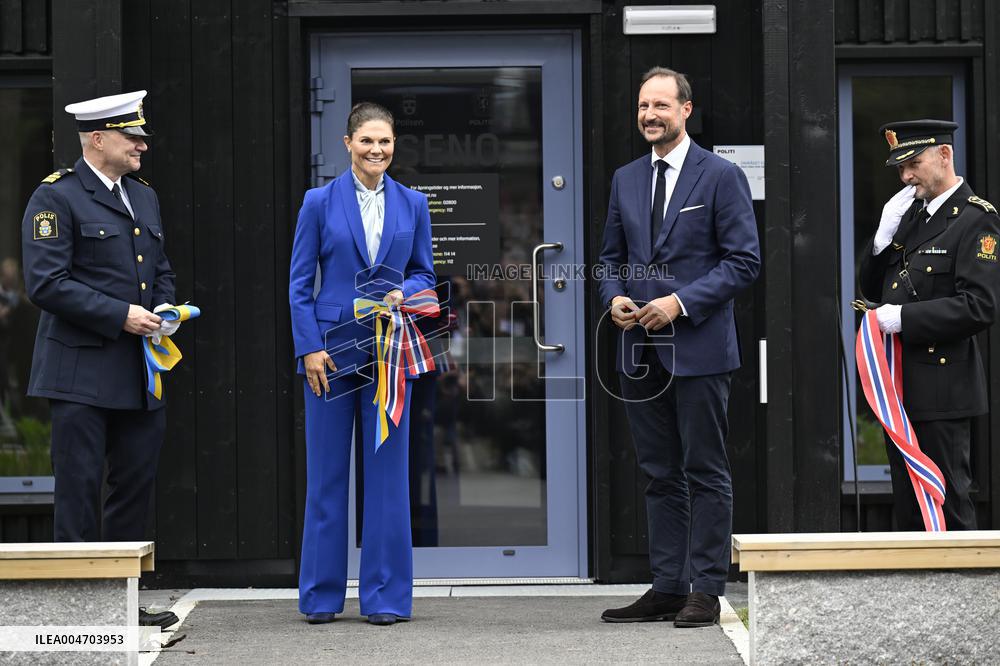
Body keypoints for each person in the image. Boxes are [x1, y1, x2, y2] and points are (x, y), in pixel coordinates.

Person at [598, 67, 760, 627]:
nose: (650, 115)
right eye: (643, 105)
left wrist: (679, 303)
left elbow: (744, 261)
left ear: (686, 110)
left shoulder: (720, 176)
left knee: (705, 470)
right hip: (639, 352)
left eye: (661, 105)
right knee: (659, 472)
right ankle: (667, 585)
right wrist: (613, 296)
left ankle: (707, 589)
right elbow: (609, 258)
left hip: (698, 349)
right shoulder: (624, 179)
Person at [20, 90, 180, 629]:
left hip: (139, 369)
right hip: (80, 372)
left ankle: (120, 603)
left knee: (133, 487)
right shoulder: (56, 197)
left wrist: (164, 306)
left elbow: (159, 266)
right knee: (80, 487)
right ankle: (77, 607)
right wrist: (121, 315)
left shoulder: (144, 196)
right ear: (97, 139)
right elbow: (46, 283)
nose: (141, 145)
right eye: (131, 136)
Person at [290, 102, 435, 626]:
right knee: (327, 479)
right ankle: (321, 597)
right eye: (368, 141)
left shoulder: (413, 204)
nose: (377, 150)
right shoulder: (318, 201)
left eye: (386, 143)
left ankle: (386, 598)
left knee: (388, 481)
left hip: (390, 355)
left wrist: (404, 292)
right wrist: (308, 347)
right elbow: (299, 281)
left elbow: (425, 275)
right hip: (329, 353)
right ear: (347, 143)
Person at [858, 119, 1000, 530]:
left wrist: (903, 318)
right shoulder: (910, 215)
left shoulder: (976, 219)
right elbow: (871, 287)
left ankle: (965, 596)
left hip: (943, 387)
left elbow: (979, 306)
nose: (906, 176)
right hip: (901, 387)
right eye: (900, 168)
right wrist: (882, 238)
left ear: (944, 154)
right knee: (908, 507)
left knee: (947, 501)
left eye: (913, 163)